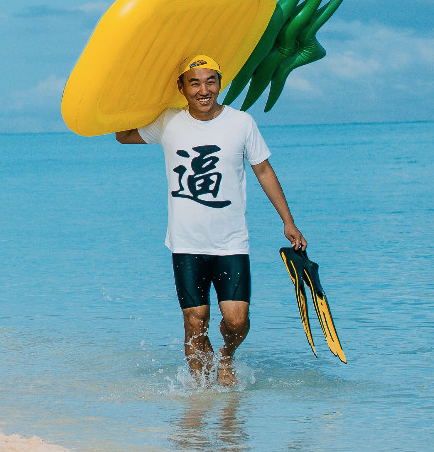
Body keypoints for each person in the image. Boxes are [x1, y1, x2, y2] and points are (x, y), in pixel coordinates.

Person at [116, 55, 308, 386]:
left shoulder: (241, 123)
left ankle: (226, 357)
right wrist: (134, 91)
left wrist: (288, 222)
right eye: (194, 83)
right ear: (181, 88)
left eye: (210, 81)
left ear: (220, 83)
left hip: (231, 240)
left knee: (236, 320)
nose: (204, 90)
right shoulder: (168, 122)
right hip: (186, 241)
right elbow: (122, 136)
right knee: (196, 320)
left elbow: (262, 169)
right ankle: (199, 400)